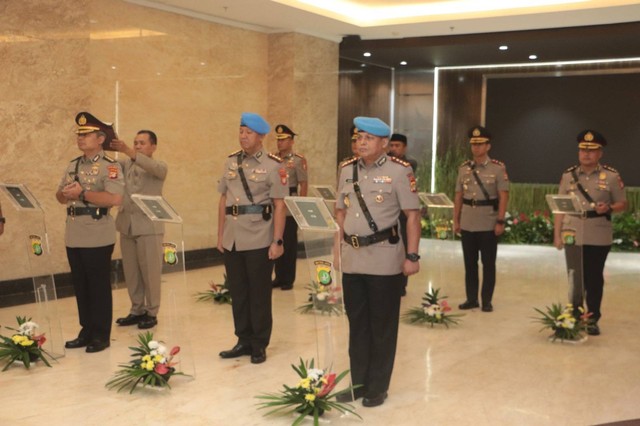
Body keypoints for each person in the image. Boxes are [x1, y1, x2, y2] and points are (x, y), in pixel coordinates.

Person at [335, 116, 421, 407]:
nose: (361, 142)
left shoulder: (399, 172)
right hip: (352, 258)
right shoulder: (346, 170)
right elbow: (341, 214)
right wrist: (337, 252)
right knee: (357, 324)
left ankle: (378, 387)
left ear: (384, 143)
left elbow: (412, 216)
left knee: (382, 327)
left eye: (368, 138)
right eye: (359, 137)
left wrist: (412, 255)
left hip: (385, 259)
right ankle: (359, 383)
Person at [216, 112, 288, 364]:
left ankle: (259, 343)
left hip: (259, 236)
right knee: (238, 291)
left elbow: (280, 205)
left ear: (261, 136)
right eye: (241, 131)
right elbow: (224, 200)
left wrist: (277, 241)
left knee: (259, 293)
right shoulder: (230, 162)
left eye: (248, 132)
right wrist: (220, 235)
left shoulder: (274, 165)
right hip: (233, 237)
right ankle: (242, 340)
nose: (243, 136)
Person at [56, 112, 124, 353]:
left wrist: (82, 194)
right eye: (79, 135)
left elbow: (114, 198)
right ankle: (86, 330)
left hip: (97, 234)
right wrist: (65, 193)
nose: (81, 139)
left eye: (86, 135)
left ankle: (101, 334)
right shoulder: (72, 165)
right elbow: (59, 197)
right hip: (74, 234)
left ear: (100, 138)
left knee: (98, 285)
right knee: (81, 285)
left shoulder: (110, 166)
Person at [553, 130, 626, 336]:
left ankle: (592, 318)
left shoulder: (611, 176)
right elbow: (560, 206)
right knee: (574, 276)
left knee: (594, 278)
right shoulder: (568, 176)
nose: (586, 154)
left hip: (598, 233)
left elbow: (623, 203)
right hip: (572, 231)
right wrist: (557, 234)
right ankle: (574, 315)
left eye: (592, 150)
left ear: (600, 153)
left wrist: (610, 207)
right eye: (583, 150)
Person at [112, 130, 168, 330]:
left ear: (153, 146)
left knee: (150, 272)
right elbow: (110, 166)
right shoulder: (126, 164)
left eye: (142, 143)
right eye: (135, 143)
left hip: (148, 226)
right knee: (132, 272)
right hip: (127, 224)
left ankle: (151, 312)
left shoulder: (159, 167)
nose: (137, 146)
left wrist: (127, 150)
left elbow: (150, 166)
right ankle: (137, 309)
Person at [453, 126, 509, 313]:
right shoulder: (463, 168)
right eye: (474, 144)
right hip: (468, 221)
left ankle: (486, 300)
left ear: (488, 146)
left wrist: (500, 221)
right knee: (469, 264)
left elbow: (503, 197)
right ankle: (471, 299)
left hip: (488, 222)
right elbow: (459, 196)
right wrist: (456, 220)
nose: (476, 148)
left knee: (488, 264)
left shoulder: (498, 168)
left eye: (480, 144)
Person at [272, 124, 308, 291]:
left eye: (284, 139)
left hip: (289, 205)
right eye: (278, 140)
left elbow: (303, 184)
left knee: (289, 243)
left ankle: (288, 279)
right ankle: (278, 276)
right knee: (275, 241)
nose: (280, 143)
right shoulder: (272, 159)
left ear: (292, 141)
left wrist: (300, 207)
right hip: (274, 206)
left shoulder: (298, 160)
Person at [388, 133, 418, 296]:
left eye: (397, 146)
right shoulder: (386, 163)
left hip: (404, 214)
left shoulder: (409, 164)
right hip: (389, 214)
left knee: (404, 248)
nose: (393, 149)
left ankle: (402, 285)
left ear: (404, 147)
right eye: (391, 146)